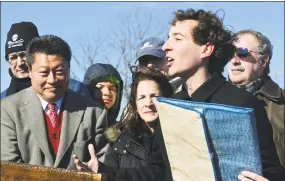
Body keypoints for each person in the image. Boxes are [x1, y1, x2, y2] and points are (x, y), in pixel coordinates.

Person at [162, 9, 285, 180]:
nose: (166, 46)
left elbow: (272, 171)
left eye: (177, 38)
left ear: (206, 50)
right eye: (168, 38)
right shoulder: (169, 106)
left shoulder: (241, 103)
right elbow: (158, 168)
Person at [1, 35, 107, 169]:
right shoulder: (8, 110)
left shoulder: (94, 112)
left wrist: (97, 170)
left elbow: (104, 164)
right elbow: (10, 168)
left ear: (68, 70)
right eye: (44, 73)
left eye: (59, 71)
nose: (52, 80)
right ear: (30, 71)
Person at [73, 66, 174, 181]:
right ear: (135, 104)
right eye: (141, 97)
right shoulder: (120, 139)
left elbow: (155, 172)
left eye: (154, 96)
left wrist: (103, 171)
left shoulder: (175, 136)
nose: (148, 103)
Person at [228, 29, 284, 168]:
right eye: (230, 53)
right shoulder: (211, 101)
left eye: (242, 53)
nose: (234, 60)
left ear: (264, 61)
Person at [1, 21, 89, 99]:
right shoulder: (3, 99)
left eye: (23, 55)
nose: (20, 63)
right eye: (13, 58)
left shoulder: (74, 89)